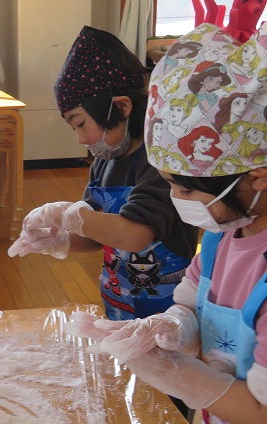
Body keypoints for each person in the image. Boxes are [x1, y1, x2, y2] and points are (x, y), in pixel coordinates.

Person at [66, 22, 267, 424]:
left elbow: (260, 410)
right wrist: (170, 326)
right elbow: (190, 304)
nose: (176, 201)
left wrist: (173, 373)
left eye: (187, 189)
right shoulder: (222, 236)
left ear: (257, 178)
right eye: (170, 185)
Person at [9, 26, 199, 322]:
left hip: (167, 312)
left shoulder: (158, 162)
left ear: (121, 107)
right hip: (118, 301)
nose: (80, 139)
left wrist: (64, 213)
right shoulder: (103, 163)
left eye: (80, 124)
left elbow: (134, 235)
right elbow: (95, 236)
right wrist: (60, 240)